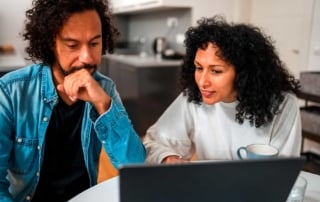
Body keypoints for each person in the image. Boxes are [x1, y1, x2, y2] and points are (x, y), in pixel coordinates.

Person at [0, 0, 146, 201]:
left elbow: (136, 167)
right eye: (72, 45)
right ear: (52, 43)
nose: (87, 57)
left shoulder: (105, 89)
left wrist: (103, 105)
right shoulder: (10, 92)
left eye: (94, 43)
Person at [143, 15, 302, 164]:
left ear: (243, 73)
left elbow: (283, 170)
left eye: (216, 71)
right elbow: (153, 142)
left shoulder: (283, 105)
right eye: (199, 68)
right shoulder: (195, 96)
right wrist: (169, 158)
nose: (202, 82)